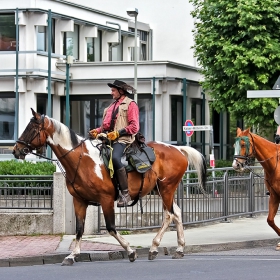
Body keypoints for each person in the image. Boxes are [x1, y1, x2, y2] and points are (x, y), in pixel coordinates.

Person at [89, 80, 140, 207]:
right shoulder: (109, 108)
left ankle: (125, 193)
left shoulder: (131, 104)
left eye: (113, 90)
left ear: (121, 91)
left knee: (115, 158)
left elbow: (135, 127)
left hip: (123, 140)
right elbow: (105, 127)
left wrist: (119, 133)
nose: (111, 93)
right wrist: (97, 131)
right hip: (107, 139)